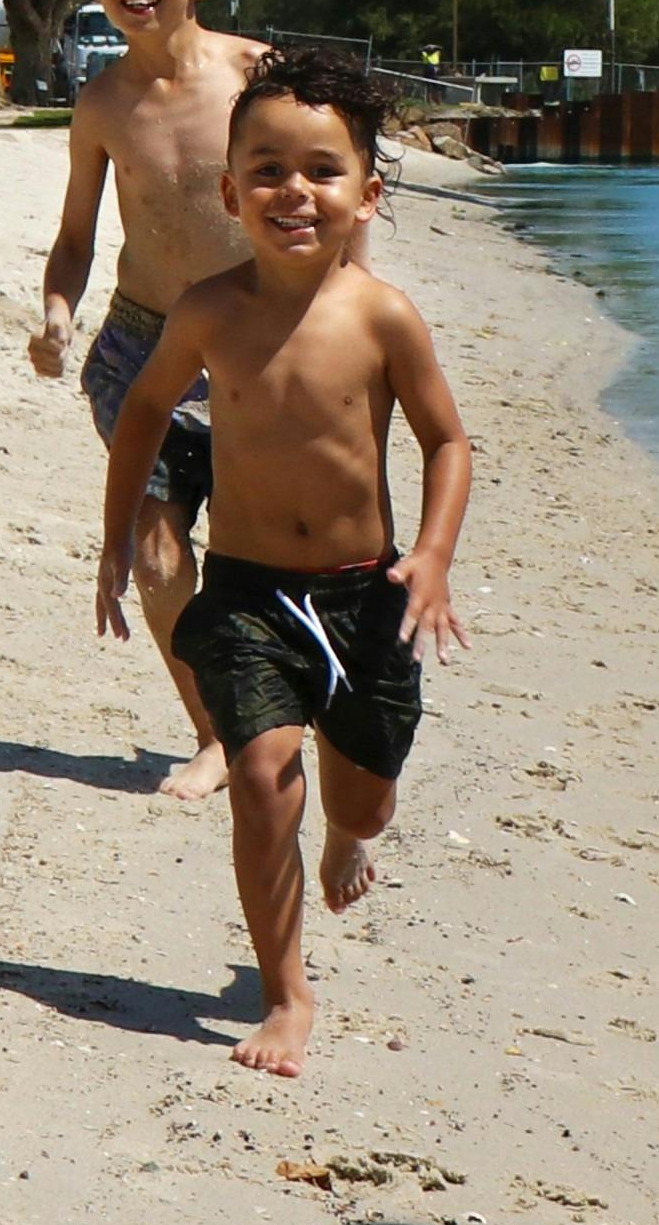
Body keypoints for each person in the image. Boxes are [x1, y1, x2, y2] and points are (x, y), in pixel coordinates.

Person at [91, 54, 469, 1079]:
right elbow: (143, 410)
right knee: (261, 775)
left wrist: (432, 556)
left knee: (364, 799)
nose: (292, 191)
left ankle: (348, 835)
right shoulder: (208, 310)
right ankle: (286, 991)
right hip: (247, 593)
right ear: (229, 192)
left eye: (320, 170)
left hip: (364, 594)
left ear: (366, 194)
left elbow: (446, 441)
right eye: (265, 171)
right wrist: (116, 537)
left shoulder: (382, 316)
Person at [29, 0, 265, 795]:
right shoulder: (101, 103)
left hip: (256, 347)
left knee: (253, 552)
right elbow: (76, 239)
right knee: (160, 557)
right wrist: (58, 314)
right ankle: (213, 735)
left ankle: (272, 712)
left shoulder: (257, 75)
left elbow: (332, 191)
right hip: (141, 347)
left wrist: (347, 309)